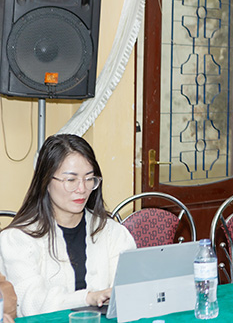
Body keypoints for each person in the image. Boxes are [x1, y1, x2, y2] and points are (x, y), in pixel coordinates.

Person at [0, 134, 136, 317]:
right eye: (71, 180)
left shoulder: (111, 232)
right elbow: (30, 304)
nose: (82, 189)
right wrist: (88, 298)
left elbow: (131, 290)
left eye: (89, 179)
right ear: (46, 182)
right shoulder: (18, 239)